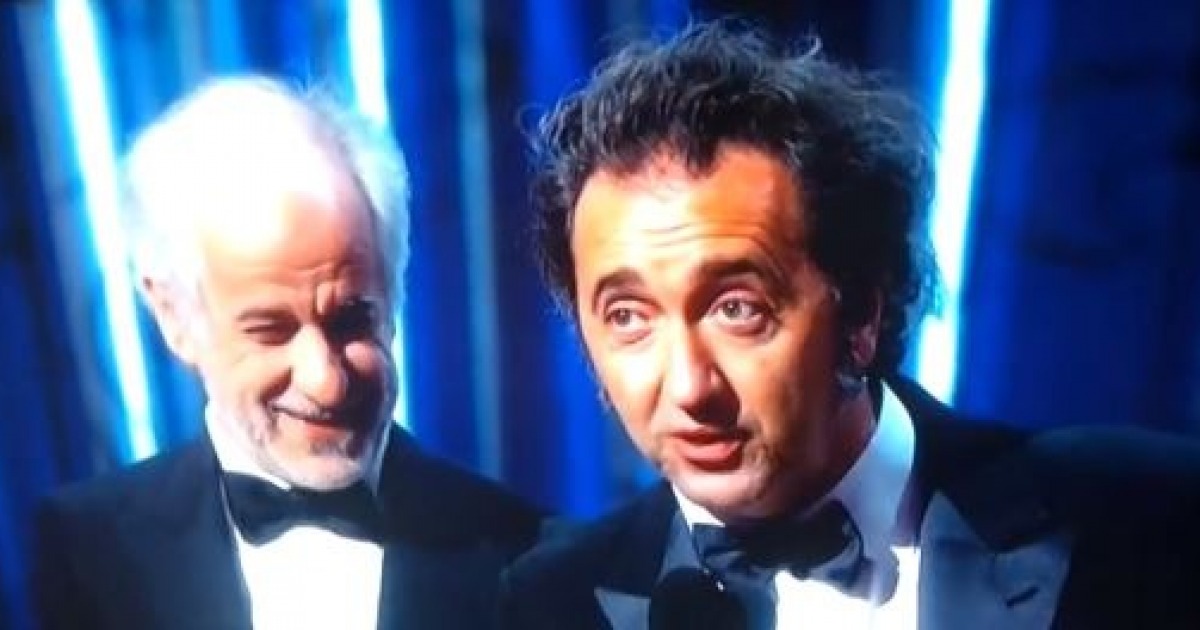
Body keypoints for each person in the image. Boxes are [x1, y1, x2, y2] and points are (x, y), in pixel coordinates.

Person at [499, 21, 1200, 629]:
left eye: (737, 309)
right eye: (628, 317)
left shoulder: (1140, 517)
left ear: (862, 310)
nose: (689, 388)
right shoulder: (550, 602)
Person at [32, 76, 545, 630]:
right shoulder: (87, 552)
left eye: (352, 320)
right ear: (174, 317)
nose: (326, 381)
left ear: (393, 301)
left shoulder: (527, 556)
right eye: (270, 330)